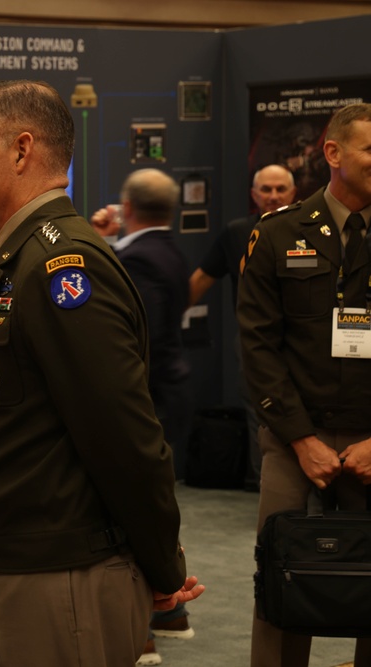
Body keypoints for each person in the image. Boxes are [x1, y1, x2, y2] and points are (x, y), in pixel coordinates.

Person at [0, 79, 204, 666]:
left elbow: (123, 436)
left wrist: (164, 565)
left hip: (59, 574)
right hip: (23, 562)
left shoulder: (63, 266)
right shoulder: (22, 255)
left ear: (21, 150)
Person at [239, 103, 371, 667]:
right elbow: (259, 347)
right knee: (282, 582)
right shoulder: (278, 233)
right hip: (296, 443)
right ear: (334, 153)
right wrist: (302, 439)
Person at [92, 169, 195, 665]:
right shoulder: (167, 252)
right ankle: (164, 615)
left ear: (126, 205)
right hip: (166, 394)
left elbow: (135, 341)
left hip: (146, 401)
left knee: (135, 508)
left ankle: (151, 625)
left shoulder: (140, 261)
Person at [188, 165, 297, 491]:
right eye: (266, 190)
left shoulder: (312, 230)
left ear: (294, 194)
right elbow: (199, 281)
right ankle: (267, 488)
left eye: (280, 189)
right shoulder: (236, 233)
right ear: (254, 195)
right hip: (253, 341)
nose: (273, 196)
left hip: (304, 340)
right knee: (258, 413)